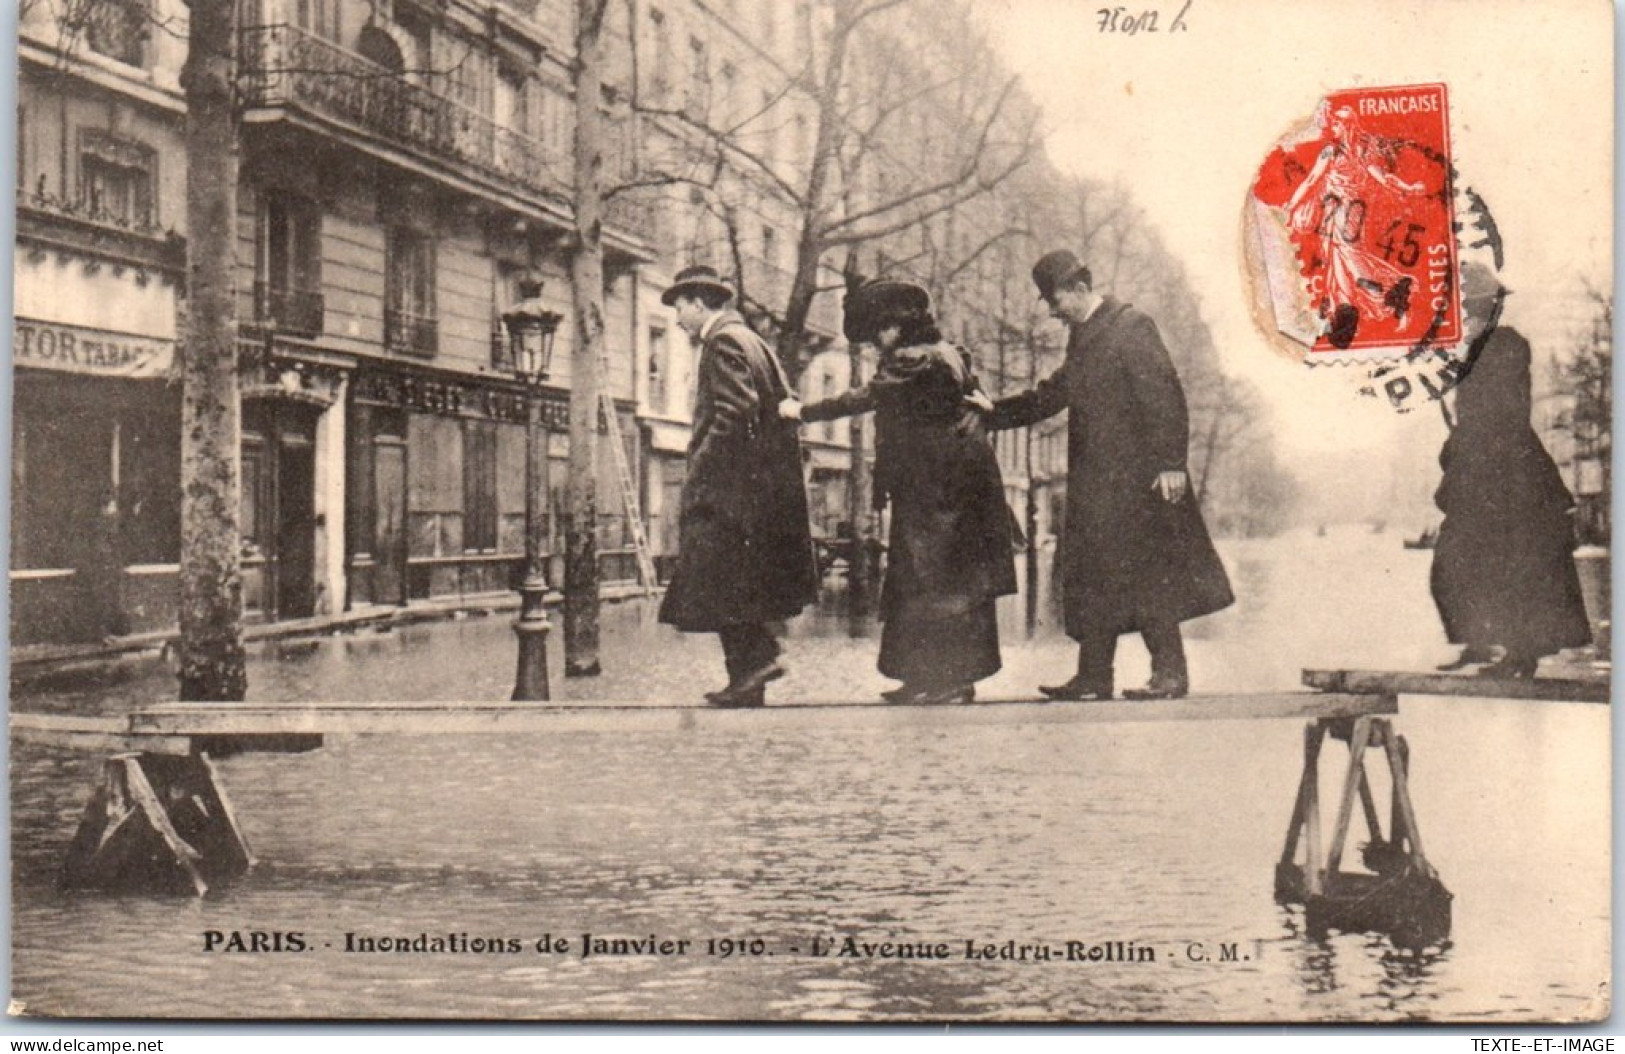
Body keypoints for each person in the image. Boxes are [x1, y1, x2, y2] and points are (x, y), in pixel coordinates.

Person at [979, 251, 1233, 700]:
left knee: (1149, 575)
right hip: (1097, 482)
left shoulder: (1132, 326)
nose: (1053, 310)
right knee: (1097, 576)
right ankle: (1094, 677)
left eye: (1055, 300)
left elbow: (1166, 396)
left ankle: (1170, 674)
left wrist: (1171, 463)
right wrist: (992, 413)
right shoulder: (1085, 336)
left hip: (1140, 481)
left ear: (1080, 289)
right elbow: (1055, 393)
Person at [784, 279, 1015, 705]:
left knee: (934, 582)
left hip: (939, 489)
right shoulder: (946, 353)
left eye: (879, 332)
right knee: (929, 580)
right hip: (951, 485)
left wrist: (803, 410)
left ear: (897, 326)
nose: (876, 343)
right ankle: (928, 676)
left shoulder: (915, 360)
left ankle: (947, 680)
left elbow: (867, 397)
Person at [658, 265, 820, 706]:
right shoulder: (754, 341)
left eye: (679, 308)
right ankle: (749, 680)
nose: (677, 320)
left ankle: (759, 661)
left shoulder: (723, 341)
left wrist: (700, 473)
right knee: (736, 583)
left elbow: (735, 413)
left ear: (696, 302)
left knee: (715, 579)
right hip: (755, 491)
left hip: (729, 491)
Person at [1430, 263, 1590, 678]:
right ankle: (1482, 642)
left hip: (1509, 473)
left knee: (1514, 562)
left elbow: (1502, 414)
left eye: (1464, 309)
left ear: (1482, 307)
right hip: (1481, 471)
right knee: (1458, 560)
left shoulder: (1506, 345)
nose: (1459, 318)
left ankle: (1519, 653)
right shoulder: (1475, 350)